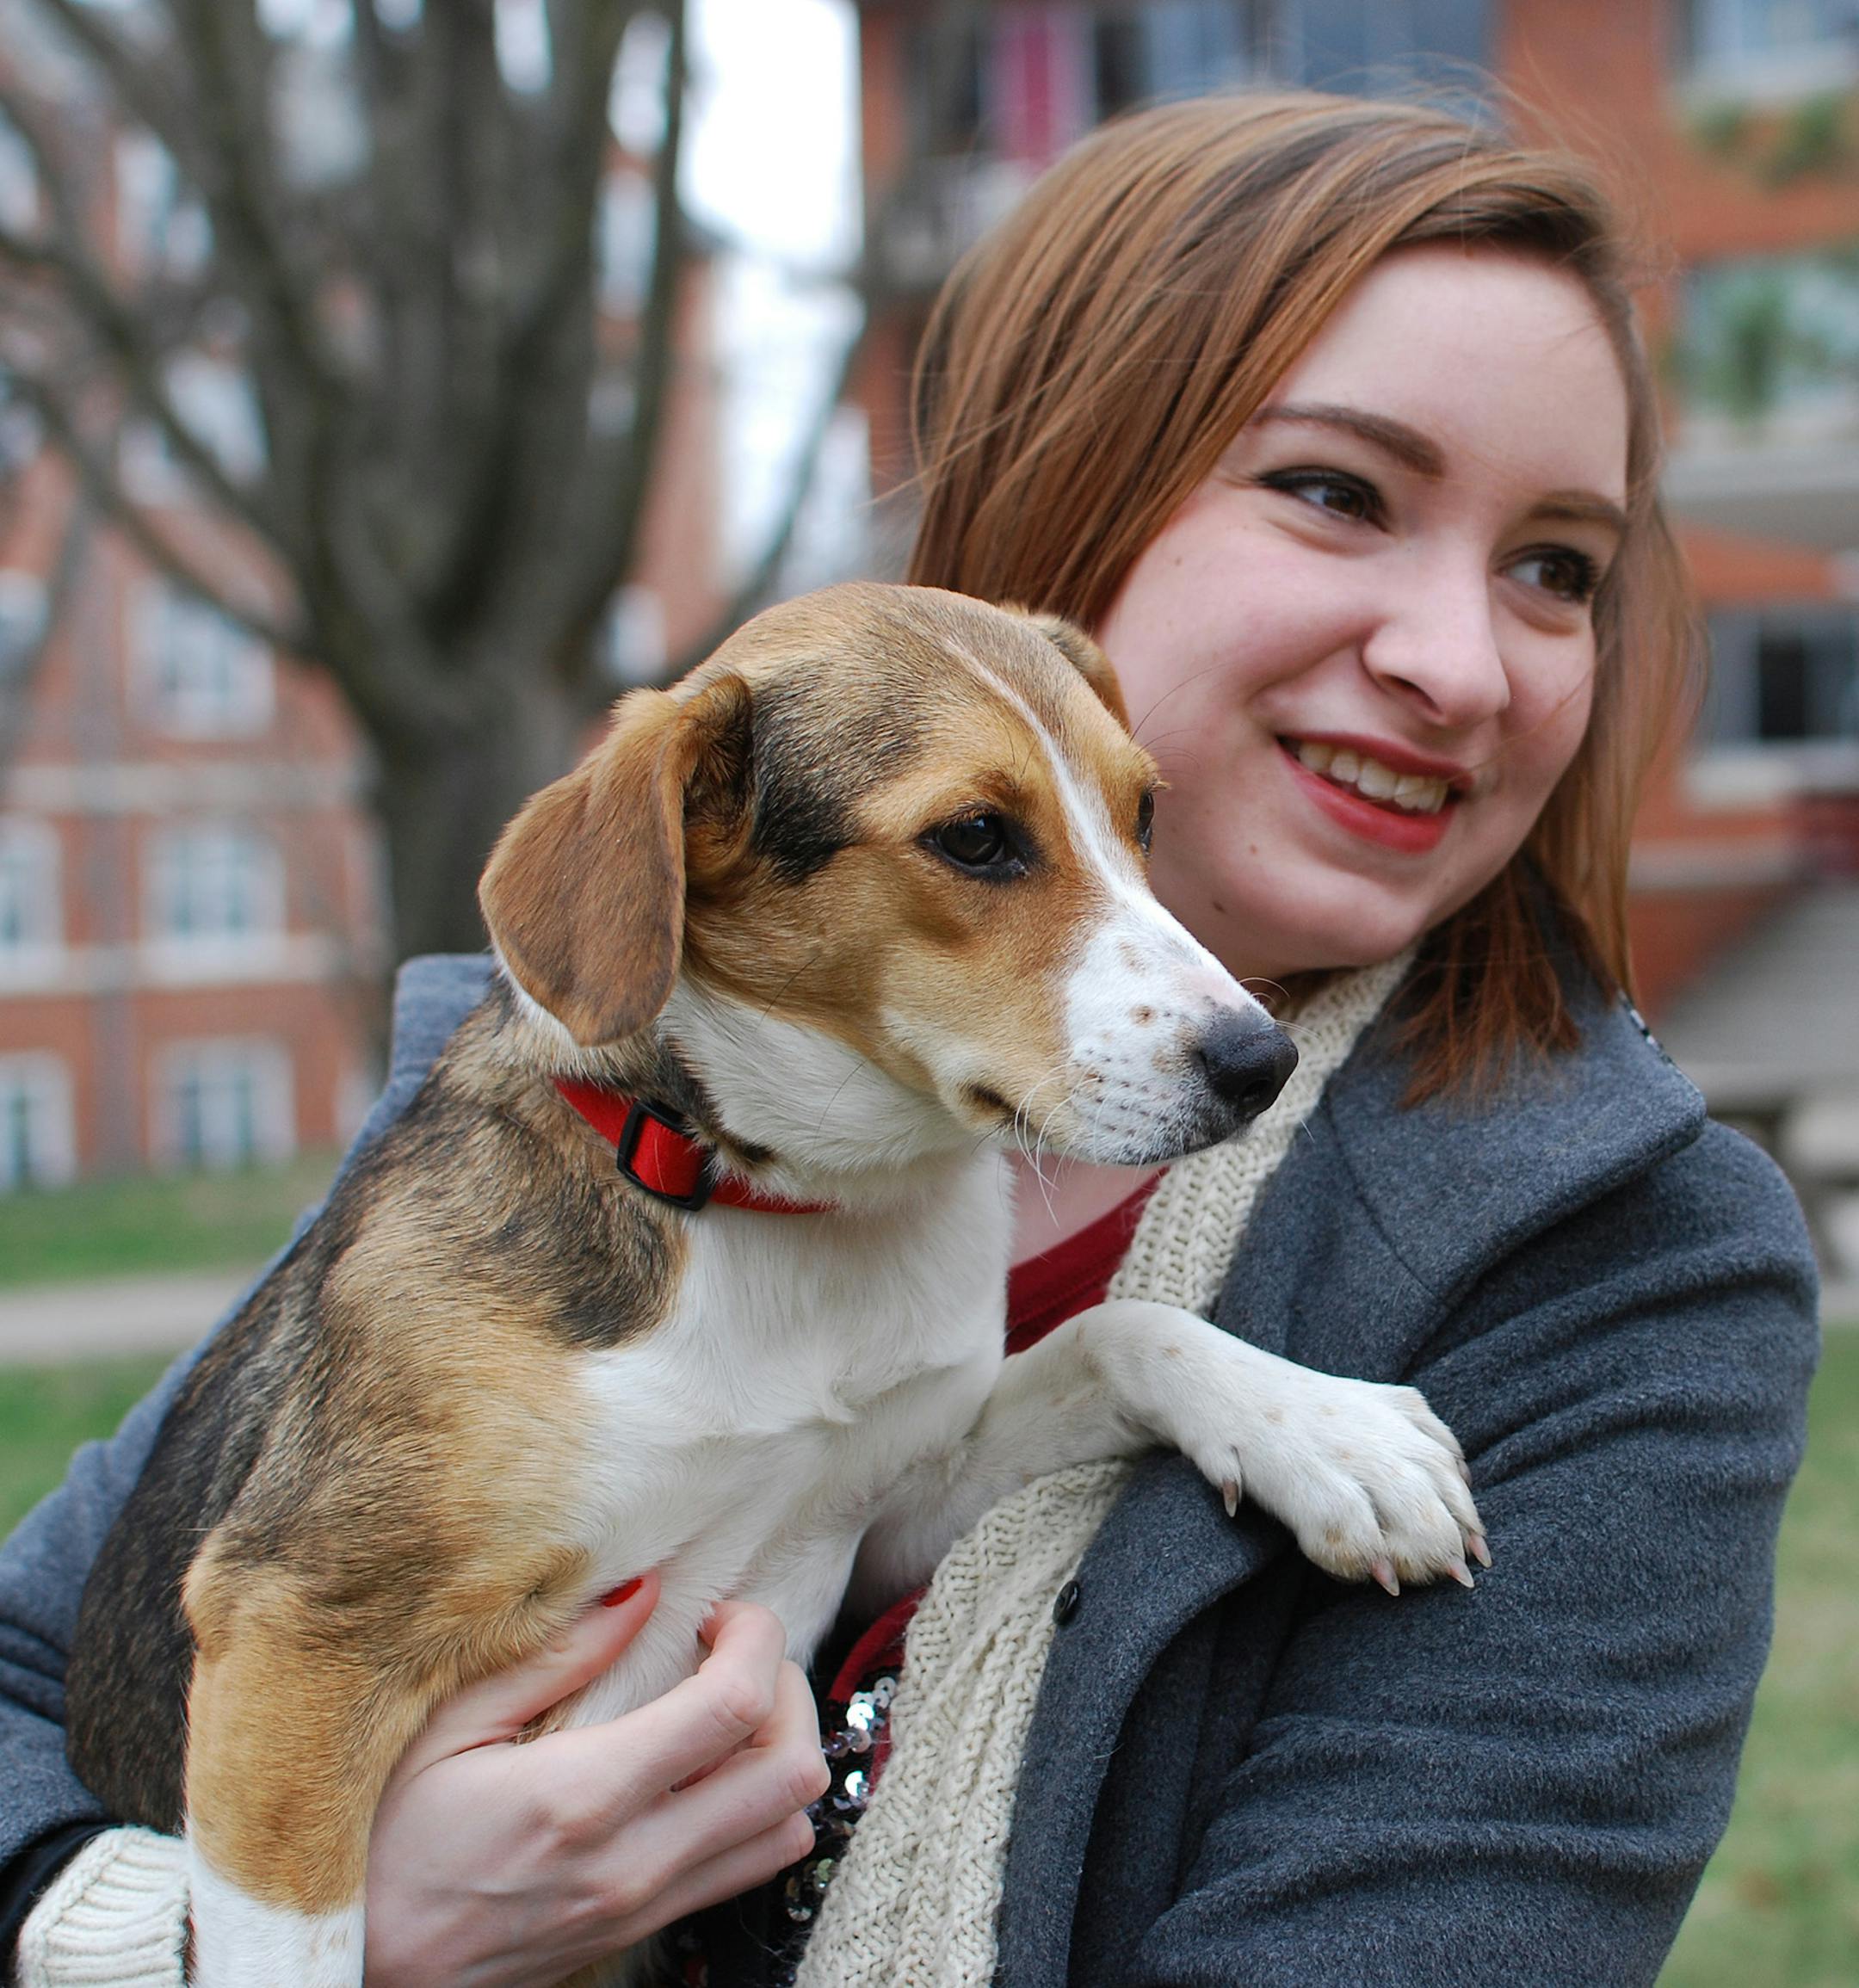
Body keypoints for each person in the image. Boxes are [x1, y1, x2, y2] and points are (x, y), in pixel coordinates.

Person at [0, 90, 1819, 1988]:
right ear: (1082, 491)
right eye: (1339, 491)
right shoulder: (506, 1149)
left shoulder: (1621, 1277)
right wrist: (251, 1940)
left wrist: (1159, 1368)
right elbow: (68, 1669)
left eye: (1560, 566)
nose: (1462, 662)